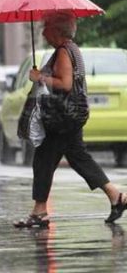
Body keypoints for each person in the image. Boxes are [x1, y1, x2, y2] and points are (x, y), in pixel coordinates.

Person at [14, 11, 127, 228]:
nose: (43, 31)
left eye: (46, 27)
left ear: (56, 30)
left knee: (45, 160)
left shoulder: (65, 52)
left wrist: (41, 77)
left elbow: (65, 84)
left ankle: (40, 212)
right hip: (69, 115)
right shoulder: (70, 49)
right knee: (74, 158)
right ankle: (116, 197)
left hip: (62, 117)